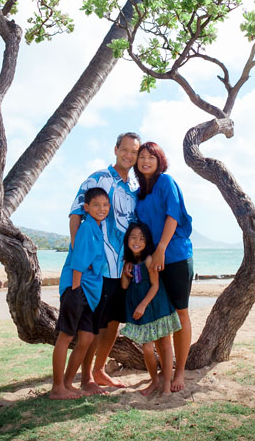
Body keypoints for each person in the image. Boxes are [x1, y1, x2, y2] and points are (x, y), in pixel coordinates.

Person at [68, 131, 140, 393]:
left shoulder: (133, 189)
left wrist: (132, 260)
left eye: (134, 151)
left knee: (112, 324)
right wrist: (80, 256)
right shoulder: (98, 178)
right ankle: (86, 377)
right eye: (125, 149)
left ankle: (99, 370)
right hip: (96, 269)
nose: (129, 155)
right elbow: (76, 215)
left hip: (120, 270)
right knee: (94, 325)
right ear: (116, 149)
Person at [133, 141, 194, 392]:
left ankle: (180, 373)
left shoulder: (166, 182)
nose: (146, 161)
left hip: (176, 256)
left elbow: (173, 216)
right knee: (161, 317)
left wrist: (160, 250)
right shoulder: (138, 194)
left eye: (151, 157)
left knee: (180, 314)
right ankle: (162, 375)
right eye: (142, 157)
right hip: (151, 265)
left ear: (160, 161)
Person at [50, 187, 109, 400]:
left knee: (86, 338)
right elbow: (78, 263)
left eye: (105, 205)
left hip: (90, 292)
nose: (101, 209)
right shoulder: (86, 228)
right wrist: (74, 291)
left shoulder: (98, 227)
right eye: (96, 205)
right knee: (66, 336)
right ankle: (57, 388)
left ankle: (67, 384)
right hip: (77, 287)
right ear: (86, 208)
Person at [120, 222, 181, 396]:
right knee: (147, 348)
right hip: (142, 308)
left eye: (141, 238)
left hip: (155, 304)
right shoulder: (129, 262)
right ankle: (154, 381)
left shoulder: (148, 260)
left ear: (147, 241)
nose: (137, 241)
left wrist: (142, 304)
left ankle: (166, 385)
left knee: (164, 343)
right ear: (127, 240)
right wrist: (125, 271)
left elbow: (155, 286)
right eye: (133, 237)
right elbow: (125, 286)